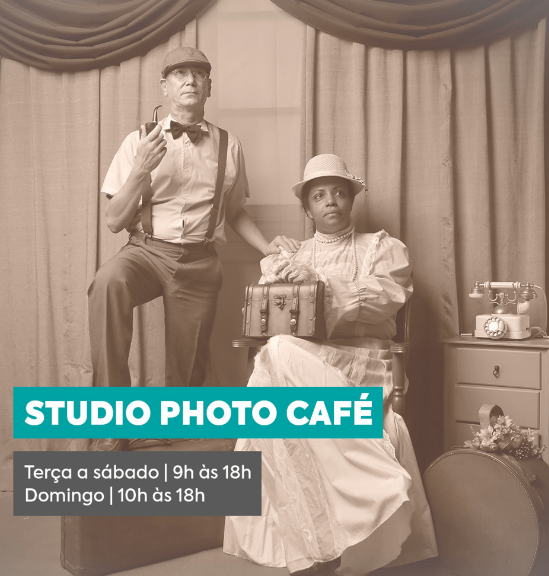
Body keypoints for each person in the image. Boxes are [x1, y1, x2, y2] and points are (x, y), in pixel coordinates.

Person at [223, 154, 438, 575]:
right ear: (307, 209)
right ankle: (318, 535)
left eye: (339, 192)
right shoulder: (292, 254)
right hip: (303, 361)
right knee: (276, 353)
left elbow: (385, 299)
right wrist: (279, 278)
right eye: (319, 196)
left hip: (364, 361)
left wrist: (318, 285)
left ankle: (349, 516)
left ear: (352, 200)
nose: (330, 201)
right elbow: (266, 316)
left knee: (275, 358)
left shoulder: (381, 248)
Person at [88, 47, 299, 452]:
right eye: (180, 74)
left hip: (199, 260)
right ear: (164, 87)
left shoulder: (228, 145)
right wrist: (141, 168)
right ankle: (110, 421)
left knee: (185, 386)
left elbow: (234, 211)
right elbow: (114, 220)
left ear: (209, 87)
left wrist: (266, 247)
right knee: (108, 284)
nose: (190, 80)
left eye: (198, 74)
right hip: (146, 251)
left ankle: (173, 430)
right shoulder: (138, 141)